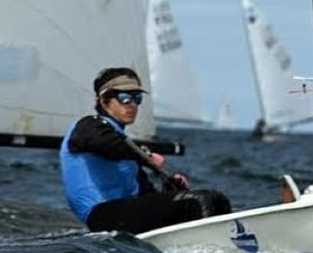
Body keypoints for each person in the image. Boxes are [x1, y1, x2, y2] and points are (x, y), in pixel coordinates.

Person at [61, 67, 233, 234]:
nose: (132, 105)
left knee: (217, 200)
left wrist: (171, 189)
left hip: (126, 213)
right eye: (125, 98)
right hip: (101, 215)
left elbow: (147, 198)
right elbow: (105, 145)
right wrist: (147, 157)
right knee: (199, 200)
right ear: (105, 101)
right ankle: (213, 250)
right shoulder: (88, 126)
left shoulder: (127, 147)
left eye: (137, 99)